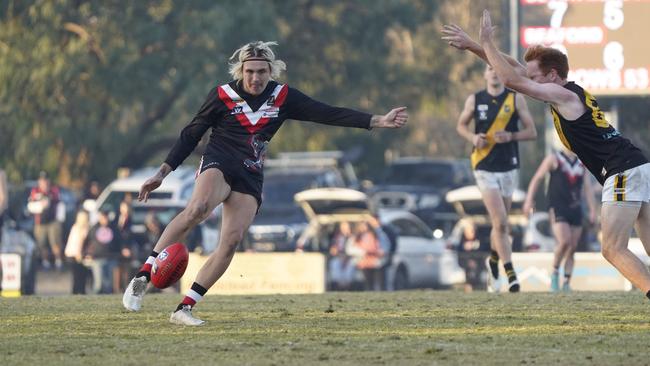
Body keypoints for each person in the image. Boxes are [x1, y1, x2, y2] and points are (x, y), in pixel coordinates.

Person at [122, 41, 408, 325]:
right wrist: (162, 172)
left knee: (231, 241)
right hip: (218, 160)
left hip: (250, 172)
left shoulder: (283, 97)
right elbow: (190, 134)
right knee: (198, 208)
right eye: (250, 71)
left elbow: (327, 113)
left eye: (261, 72)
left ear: (271, 72)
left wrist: (377, 120)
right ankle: (143, 276)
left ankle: (184, 308)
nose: (255, 78)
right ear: (240, 71)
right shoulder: (222, 95)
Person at [443, 10, 650, 300]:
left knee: (612, 248)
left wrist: (487, 41)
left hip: (622, 170)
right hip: (637, 164)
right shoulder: (566, 91)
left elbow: (512, 81)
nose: (531, 82)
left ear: (553, 75)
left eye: (536, 77)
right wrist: (473, 46)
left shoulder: (562, 95)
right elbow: (514, 69)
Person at [455, 63, 537, 293]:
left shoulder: (515, 99)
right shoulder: (475, 99)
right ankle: (511, 274)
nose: (493, 72)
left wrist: (511, 135)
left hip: (508, 166)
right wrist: (472, 138)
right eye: (489, 69)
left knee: (500, 226)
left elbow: (532, 132)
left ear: (502, 74)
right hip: (483, 165)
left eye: (497, 69)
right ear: (484, 74)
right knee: (500, 221)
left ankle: (492, 261)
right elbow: (461, 125)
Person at [523, 149, 597, 292]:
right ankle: (555, 272)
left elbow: (587, 187)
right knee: (564, 241)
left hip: (575, 208)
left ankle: (567, 282)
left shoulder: (582, 161)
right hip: (557, 207)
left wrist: (592, 209)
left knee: (573, 246)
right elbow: (537, 178)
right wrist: (528, 200)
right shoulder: (554, 158)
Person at [27, 171, 64, 270]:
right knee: (41, 243)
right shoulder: (35, 191)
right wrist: (39, 204)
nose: (44, 182)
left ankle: (58, 261)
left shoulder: (54, 190)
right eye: (42, 180)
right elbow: (31, 205)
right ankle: (45, 262)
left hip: (53, 221)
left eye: (46, 180)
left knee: (55, 242)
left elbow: (58, 202)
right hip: (40, 222)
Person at [84, 210, 121, 294]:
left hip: (111, 257)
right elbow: (87, 242)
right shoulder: (94, 228)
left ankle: (108, 301)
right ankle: (95, 300)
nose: (104, 219)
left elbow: (119, 241)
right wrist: (87, 254)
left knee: (109, 284)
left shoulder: (114, 228)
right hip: (97, 258)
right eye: (102, 217)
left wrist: (120, 251)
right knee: (98, 284)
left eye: (106, 217)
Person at [347, 221, 385, 291]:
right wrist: (363, 252)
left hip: (374, 261)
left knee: (374, 281)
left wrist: (376, 252)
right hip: (362, 262)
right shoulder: (356, 237)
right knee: (365, 281)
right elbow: (350, 249)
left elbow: (381, 247)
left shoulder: (374, 235)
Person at [64, 210, 91, 294]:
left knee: (77, 276)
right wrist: (79, 255)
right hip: (76, 255)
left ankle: (76, 293)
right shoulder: (82, 228)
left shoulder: (75, 227)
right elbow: (79, 242)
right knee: (80, 276)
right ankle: (80, 293)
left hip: (70, 254)